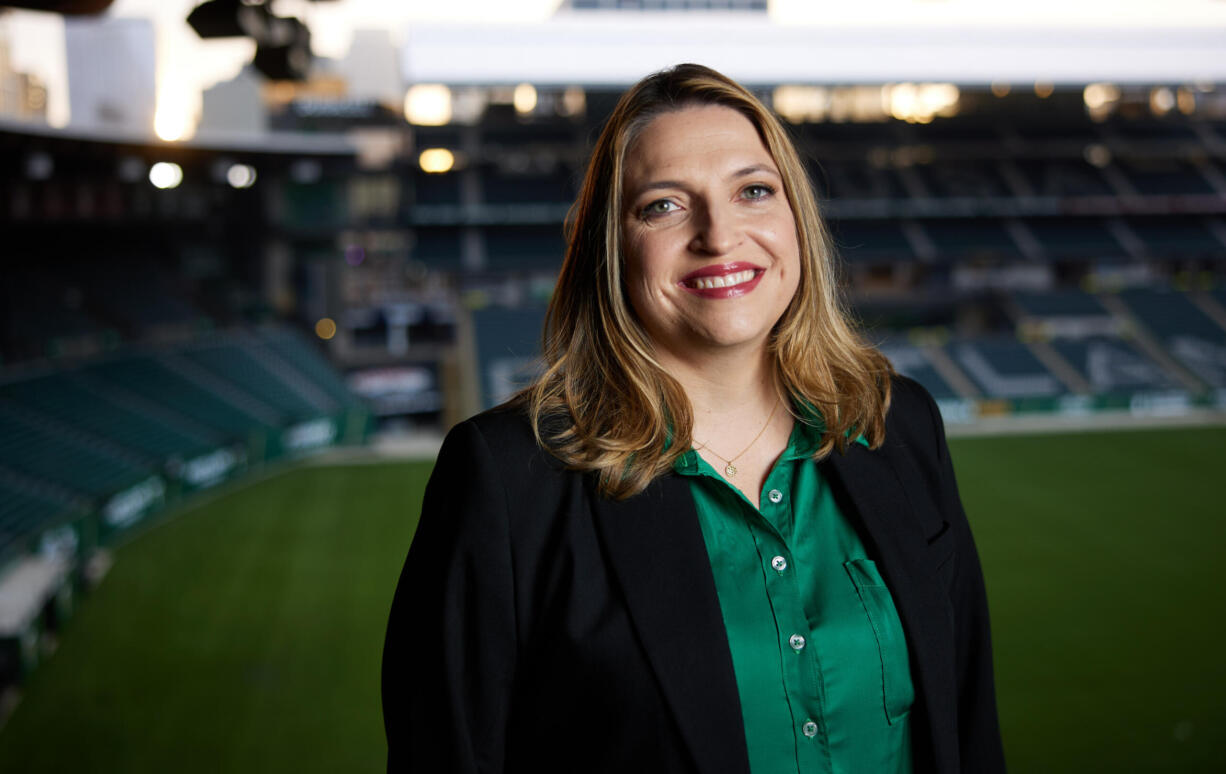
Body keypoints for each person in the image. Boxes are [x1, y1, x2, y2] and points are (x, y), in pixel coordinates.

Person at [383, 63, 1005, 774]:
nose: (719, 234)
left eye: (753, 191)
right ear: (608, 247)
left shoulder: (896, 423)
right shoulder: (506, 480)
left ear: (795, 216)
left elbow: (968, 720)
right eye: (664, 206)